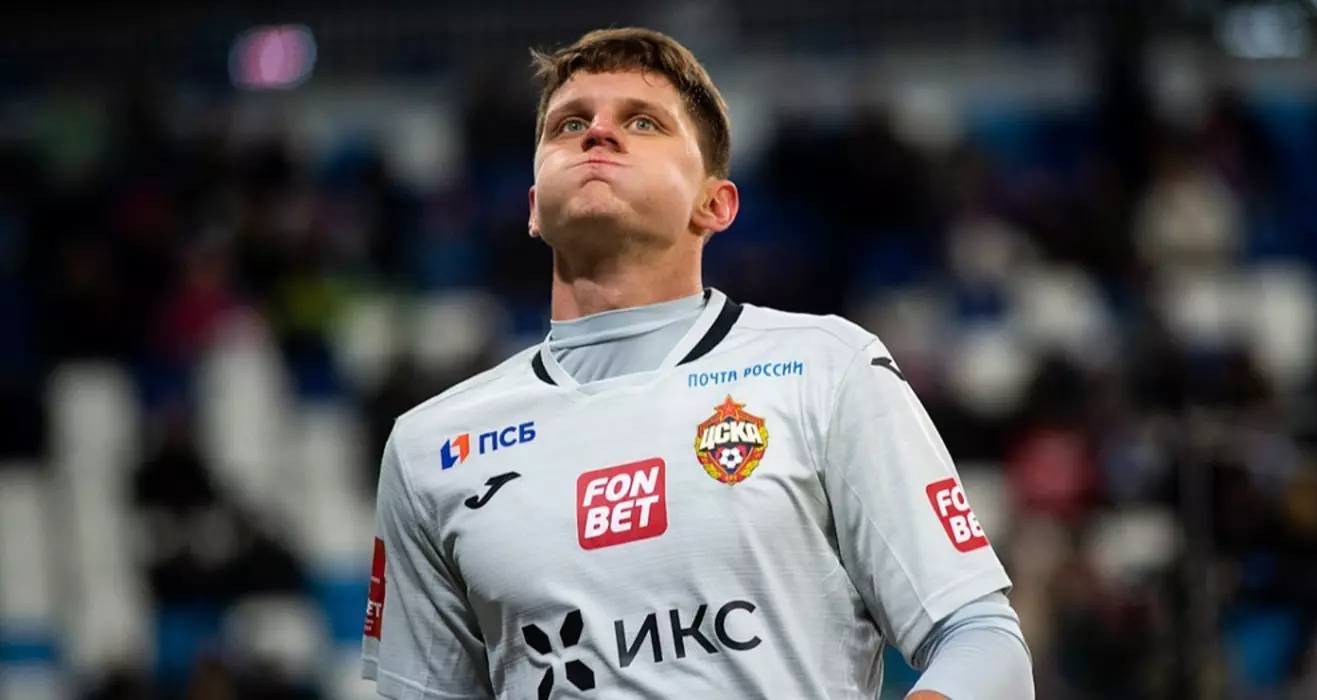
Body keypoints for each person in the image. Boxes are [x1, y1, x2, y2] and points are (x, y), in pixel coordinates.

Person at [361, 27, 1033, 699]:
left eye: (642, 122)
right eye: (570, 124)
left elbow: (982, 640)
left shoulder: (826, 371)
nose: (598, 133)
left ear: (715, 204)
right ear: (534, 208)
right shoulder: (430, 451)